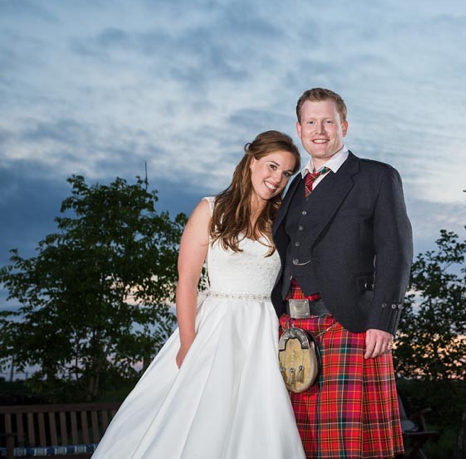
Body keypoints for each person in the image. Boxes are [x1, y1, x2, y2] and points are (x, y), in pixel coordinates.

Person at [93, 131, 306, 459]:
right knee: (195, 416)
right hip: (215, 327)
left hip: (263, 329)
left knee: (257, 419)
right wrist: (189, 342)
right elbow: (187, 281)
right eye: (272, 166)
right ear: (251, 162)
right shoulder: (211, 209)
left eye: (286, 173)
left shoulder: (283, 220)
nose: (277, 178)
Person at [271, 88, 413, 459]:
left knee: (348, 447)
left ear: (344, 126)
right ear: (299, 129)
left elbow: (396, 251)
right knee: (300, 444)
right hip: (291, 329)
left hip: (348, 325)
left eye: (328, 121)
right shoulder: (291, 188)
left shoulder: (376, 177)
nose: (320, 130)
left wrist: (384, 320)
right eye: (311, 122)